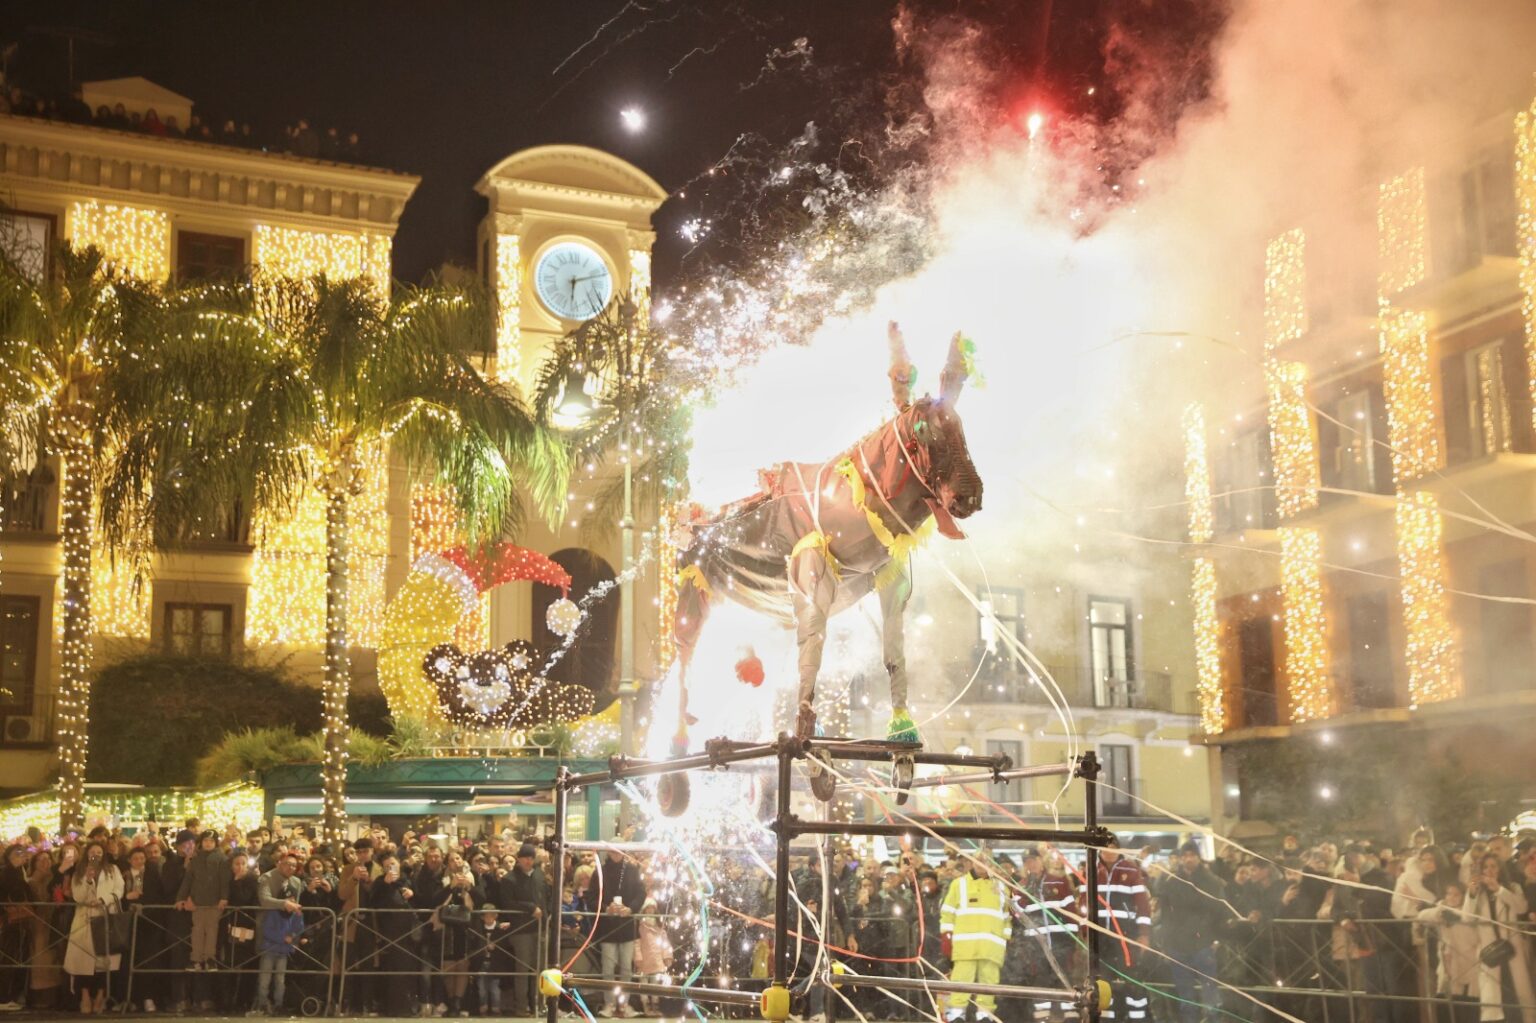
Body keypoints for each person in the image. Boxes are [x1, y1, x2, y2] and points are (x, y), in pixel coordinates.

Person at [1156, 841, 1227, 1023]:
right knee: (1185, 994)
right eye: (1185, 856)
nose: (1188, 859)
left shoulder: (1210, 881)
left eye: (1192, 855)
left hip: (1203, 943)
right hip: (1178, 945)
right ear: (1180, 858)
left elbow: (1219, 912)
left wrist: (1216, 939)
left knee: (1210, 991)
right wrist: (1166, 943)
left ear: (1198, 857)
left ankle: (1213, 1020)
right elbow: (1165, 914)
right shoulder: (1172, 881)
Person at [940, 850, 1011, 1023]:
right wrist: (946, 937)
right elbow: (947, 912)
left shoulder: (1002, 888)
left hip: (992, 948)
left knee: (989, 983)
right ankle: (957, 1015)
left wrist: (1006, 940)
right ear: (972, 862)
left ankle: (985, 1016)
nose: (982, 864)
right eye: (979, 860)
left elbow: (1006, 918)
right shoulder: (959, 884)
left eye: (986, 860)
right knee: (961, 981)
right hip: (965, 947)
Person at [1463, 852, 1535, 1023]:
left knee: (1518, 994)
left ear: (1500, 868)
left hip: (1512, 948)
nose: (1489, 870)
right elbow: (1466, 918)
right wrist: (1471, 893)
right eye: (1485, 867)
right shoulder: (1477, 892)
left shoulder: (1512, 887)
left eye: (1493, 866)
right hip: (1491, 950)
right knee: (1494, 997)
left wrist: (1499, 890)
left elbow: (1521, 908)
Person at [1095, 836, 1152, 1023]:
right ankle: (1108, 1018)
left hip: (1126, 937)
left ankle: (1138, 1018)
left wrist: (1143, 934)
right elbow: (1084, 904)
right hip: (1101, 939)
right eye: (1105, 848)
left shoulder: (1131, 870)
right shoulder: (1092, 871)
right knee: (1104, 983)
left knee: (1133, 981)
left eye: (1112, 848)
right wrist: (1087, 934)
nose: (1108, 852)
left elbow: (1143, 906)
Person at [64, 841, 122, 1014]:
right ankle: (85, 996)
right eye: (92, 851)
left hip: (105, 917)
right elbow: (77, 895)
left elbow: (119, 890)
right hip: (85, 918)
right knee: (83, 960)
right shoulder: (79, 872)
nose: (96, 854)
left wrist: (103, 899)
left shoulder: (112, 870)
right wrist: (88, 880)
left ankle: (100, 997)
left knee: (104, 960)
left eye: (99, 851)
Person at [588, 848, 644, 1018]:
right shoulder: (600, 871)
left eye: (619, 852)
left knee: (627, 968)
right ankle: (609, 1003)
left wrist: (631, 909)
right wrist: (606, 908)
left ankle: (624, 1003)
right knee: (608, 968)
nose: (616, 855)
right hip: (607, 927)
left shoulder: (633, 871)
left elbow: (641, 893)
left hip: (626, 926)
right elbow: (591, 897)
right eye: (613, 852)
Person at [1415, 882, 1481, 1023]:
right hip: (1448, 963)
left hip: (1469, 963)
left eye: (1456, 894)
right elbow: (1421, 916)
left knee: (1468, 1008)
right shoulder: (1441, 911)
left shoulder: (1471, 911)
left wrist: (1455, 915)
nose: (1452, 897)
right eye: (1449, 893)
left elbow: (1468, 922)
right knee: (1445, 1006)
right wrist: (1441, 912)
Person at [252, 853, 304, 1015]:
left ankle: (278, 1004)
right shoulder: (267, 878)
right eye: (287, 864)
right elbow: (264, 900)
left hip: (286, 933)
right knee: (264, 976)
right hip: (268, 929)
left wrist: (294, 936)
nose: (291, 868)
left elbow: (297, 912)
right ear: (279, 863)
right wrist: (284, 904)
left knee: (280, 978)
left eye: (294, 865)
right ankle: (261, 1003)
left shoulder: (297, 882)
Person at [176, 830, 228, 972]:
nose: (208, 843)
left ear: (216, 843)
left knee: (212, 931)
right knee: (197, 931)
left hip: (214, 903)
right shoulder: (196, 860)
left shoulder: (222, 859)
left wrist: (224, 897)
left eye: (211, 841)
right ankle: (196, 959)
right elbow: (188, 880)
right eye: (205, 841)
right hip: (197, 903)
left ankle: (210, 958)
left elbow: (224, 880)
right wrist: (181, 898)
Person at [0, 844, 29, 1010]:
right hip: (11, 920)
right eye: (17, 853)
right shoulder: (8, 873)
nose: (21, 856)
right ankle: (4, 997)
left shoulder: (19, 871)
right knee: (9, 957)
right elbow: (15, 894)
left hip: (18, 920)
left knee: (17, 957)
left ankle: (10, 995)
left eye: (23, 853)